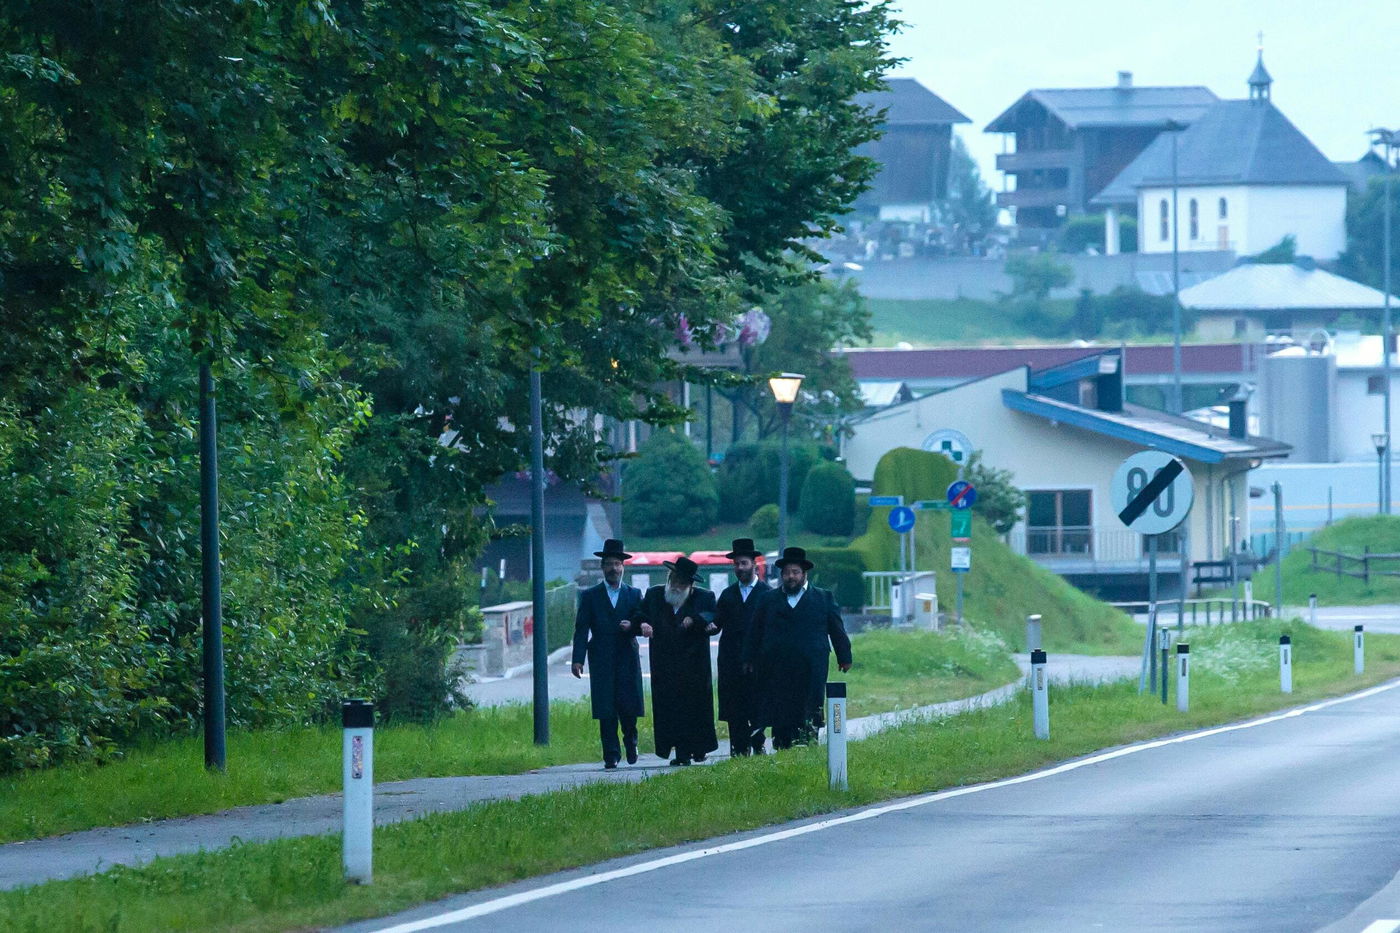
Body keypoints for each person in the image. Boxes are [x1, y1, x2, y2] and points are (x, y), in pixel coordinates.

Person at [744, 546, 853, 750]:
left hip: (811, 664)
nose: (791, 577)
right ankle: (782, 743)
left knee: (810, 704)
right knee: (781, 704)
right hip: (778, 665)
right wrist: (749, 658)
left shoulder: (823, 598)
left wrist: (844, 656)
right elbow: (755, 630)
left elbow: (837, 629)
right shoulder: (768, 599)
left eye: (795, 572)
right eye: (787, 573)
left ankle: (809, 740)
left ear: (804, 574)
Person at [626, 556, 718, 765]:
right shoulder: (655, 595)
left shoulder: (703, 597)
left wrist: (694, 619)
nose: (677, 586)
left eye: (682, 583)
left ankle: (697, 749)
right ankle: (680, 753)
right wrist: (643, 623)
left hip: (694, 668)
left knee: (694, 710)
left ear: (690, 585)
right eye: (674, 580)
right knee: (670, 711)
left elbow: (712, 614)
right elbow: (640, 613)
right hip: (665, 666)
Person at [571, 539, 645, 769]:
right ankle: (611, 754)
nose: (614, 568)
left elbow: (642, 621)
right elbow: (581, 628)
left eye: (617, 564)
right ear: (602, 567)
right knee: (606, 707)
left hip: (626, 655)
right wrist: (577, 659)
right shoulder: (590, 596)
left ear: (623, 567)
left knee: (628, 704)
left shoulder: (634, 594)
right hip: (601, 656)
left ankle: (631, 742)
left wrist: (632, 626)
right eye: (609, 564)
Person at [713, 538, 771, 756]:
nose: (740, 568)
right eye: (736, 564)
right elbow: (717, 622)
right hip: (731, 659)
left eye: (744, 563)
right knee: (734, 705)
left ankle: (758, 743)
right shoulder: (728, 594)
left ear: (754, 565)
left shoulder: (766, 594)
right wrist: (707, 624)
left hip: (758, 659)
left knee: (757, 702)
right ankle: (738, 747)